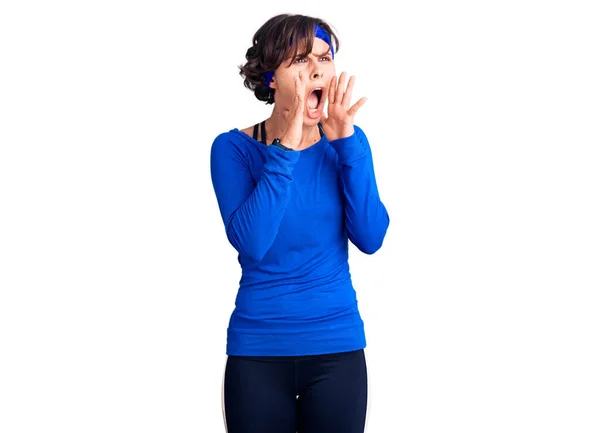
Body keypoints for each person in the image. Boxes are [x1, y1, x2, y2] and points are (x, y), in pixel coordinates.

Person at [209, 13, 390, 433]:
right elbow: (253, 241)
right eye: (299, 60)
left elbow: (371, 237)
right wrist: (287, 146)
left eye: (324, 59)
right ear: (272, 78)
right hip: (257, 353)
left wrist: (348, 146)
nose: (316, 70)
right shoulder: (232, 150)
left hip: (337, 349)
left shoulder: (347, 142)